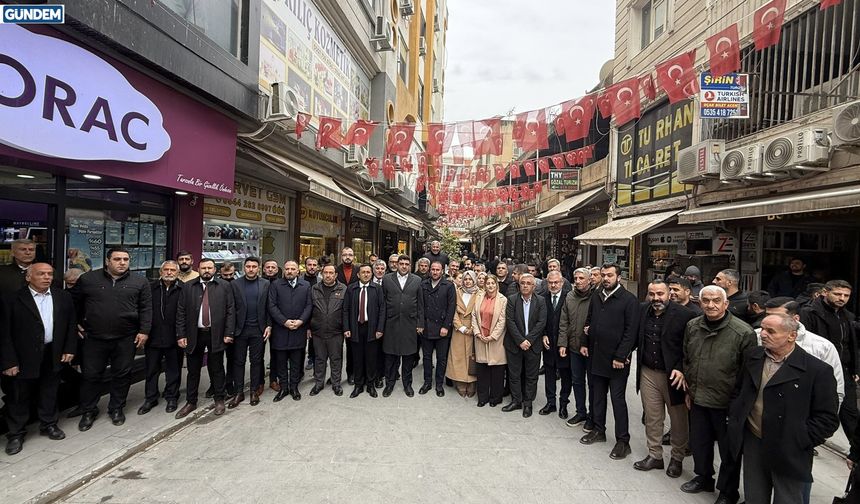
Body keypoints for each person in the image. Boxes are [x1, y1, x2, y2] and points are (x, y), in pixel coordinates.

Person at [727, 314, 838, 504]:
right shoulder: (753, 357)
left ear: (792, 336)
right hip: (754, 439)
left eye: (771, 331)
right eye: (762, 329)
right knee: (754, 496)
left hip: (790, 447)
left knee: (787, 498)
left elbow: (827, 419)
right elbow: (740, 390)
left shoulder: (817, 370)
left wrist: (801, 438)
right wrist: (736, 415)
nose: (763, 334)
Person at [680, 285, 755, 504]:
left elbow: (747, 372)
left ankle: (728, 491)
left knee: (729, 450)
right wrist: (688, 390)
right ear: (699, 302)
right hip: (698, 396)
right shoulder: (693, 326)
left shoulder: (743, 332)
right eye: (706, 300)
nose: (710, 305)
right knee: (700, 442)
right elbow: (687, 357)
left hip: (727, 402)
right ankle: (703, 477)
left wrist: (738, 404)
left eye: (715, 301)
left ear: (726, 304)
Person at [72, 248, 151, 431]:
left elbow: (146, 308)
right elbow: (74, 303)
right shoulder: (88, 279)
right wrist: (75, 323)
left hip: (126, 338)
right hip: (94, 338)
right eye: (117, 259)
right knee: (91, 375)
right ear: (107, 261)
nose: (122, 262)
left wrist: (144, 331)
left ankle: (116, 408)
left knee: (122, 375)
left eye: (125, 259)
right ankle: (89, 410)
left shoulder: (140, 281)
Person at [1, 263, 76, 455]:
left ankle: (48, 424)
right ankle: (16, 433)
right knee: (18, 395)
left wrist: (69, 348)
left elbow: (70, 325)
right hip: (22, 356)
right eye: (41, 274)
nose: (46, 277)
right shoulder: (12, 299)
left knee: (49, 390)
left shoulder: (62, 296)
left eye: (50, 274)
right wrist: (8, 361)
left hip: (52, 352)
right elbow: (3, 333)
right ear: (28, 277)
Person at [633, 280, 696, 477]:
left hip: (673, 375)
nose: (656, 298)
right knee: (652, 417)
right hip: (648, 371)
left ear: (669, 294)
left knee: (678, 420)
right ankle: (655, 455)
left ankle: (677, 458)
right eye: (652, 294)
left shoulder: (685, 315)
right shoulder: (643, 310)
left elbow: (691, 348)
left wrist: (681, 369)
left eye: (660, 294)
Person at [579, 264, 639, 461]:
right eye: (603, 275)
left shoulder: (629, 300)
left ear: (619, 277)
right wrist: (584, 342)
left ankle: (623, 441)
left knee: (618, 400)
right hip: (596, 355)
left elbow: (631, 332)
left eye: (610, 275)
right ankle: (598, 430)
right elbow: (588, 321)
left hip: (617, 361)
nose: (605, 278)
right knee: (597, 396)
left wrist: (621, 356)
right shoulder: (597, 295)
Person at [174, 258, 235, 418]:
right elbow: (180, 312)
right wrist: (181, 334)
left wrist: (229, 333)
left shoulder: (224, 286)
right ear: (198, 269)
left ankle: (219, 399)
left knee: (217, 368)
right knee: (193, 370)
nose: (206, 270)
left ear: (215, 270)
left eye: (209, 268)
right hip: (195, 334)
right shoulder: (188, 286)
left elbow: (230, 311)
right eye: (203, 268)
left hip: (217, 333)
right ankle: (191, 401)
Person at [800, 279, 858, 440]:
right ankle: (808, 438)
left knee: (850, 412)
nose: (842, 298)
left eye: (846, 295)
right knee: (814, 406)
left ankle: (856, 451)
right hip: (818, 369)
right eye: (838, 294)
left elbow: (850, 344)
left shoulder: (847, 316)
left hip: (843, 369)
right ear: (825, 292)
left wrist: (855, 369)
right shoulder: (809, 313)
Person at [759, 297, 844, 406]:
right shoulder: (756, 337)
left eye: (777, 316)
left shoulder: (822, 346)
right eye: (767, 315)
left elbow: (835, 391)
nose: (770, 320)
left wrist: (823, 420)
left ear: (795, 319)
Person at [139, 260, 184, 415]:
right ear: (160, 272)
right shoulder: (150, 288)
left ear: (178, 273)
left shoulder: (183, 289)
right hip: (153, 336)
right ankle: (150, 397)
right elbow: (143, 310)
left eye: (173, 270)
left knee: (173, 369)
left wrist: (183, 335)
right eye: (166, 270)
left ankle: (172, 396)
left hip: (175, 337)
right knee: (151, 369)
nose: (169, 272)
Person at [228, 257, 271, 408]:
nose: (251, 269)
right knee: (238, 362)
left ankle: (253, 391)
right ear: (244, 268)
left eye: (254, 266)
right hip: (240, 330)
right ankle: (238, 392)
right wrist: (230, 330)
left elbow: (269, 307)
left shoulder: (265, 284)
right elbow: (231, 309)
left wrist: (269, 325)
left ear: (258, 268)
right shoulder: (235, 284)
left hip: (258, 330)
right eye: (248, 266)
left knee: (256, 361)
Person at [503, 273, 547, 418]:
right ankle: (516, 401)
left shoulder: (540, 301)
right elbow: (510, 321)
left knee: (531, 376)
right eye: (523, 283)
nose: (525, 285)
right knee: (514, 375)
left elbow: (541, 322)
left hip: (532, 345)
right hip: (515, 344)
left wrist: (529, 340)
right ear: (519, 285)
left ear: (534, 286)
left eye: (529, 283)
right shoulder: (512, 300)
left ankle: (528, 403)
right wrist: (520, 340)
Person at [268, 260, 312, 402]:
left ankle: (294, 387)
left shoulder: (305, 286)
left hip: (299, 329)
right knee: (281, 361)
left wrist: (301, 321)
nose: (290, 271)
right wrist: (284, 321)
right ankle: (284, 388)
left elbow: (309, 306)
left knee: (296, 361)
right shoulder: (275, 285)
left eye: (293, 269)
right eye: (287, 269)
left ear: (298, 271)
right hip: (280, 329)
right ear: (284, 270)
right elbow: (272, 306)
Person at [382, 255, 424, 397]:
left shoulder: (417, 280)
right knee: (390, 358)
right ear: (397, 265)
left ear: (410, 265)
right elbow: (382, 303)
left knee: (407, 358)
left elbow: (420, 304)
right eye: (401, 263)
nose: (404, 266)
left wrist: (420, 323)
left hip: (409, 324)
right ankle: (389, 384)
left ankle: (407, 385)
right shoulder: (387, 279)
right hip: (391, 324)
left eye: (407, 263)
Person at [559, 267, 594, 429]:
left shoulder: (596, 297)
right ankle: (581, 412)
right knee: (577, 381)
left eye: (581, 278)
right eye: (576, 278)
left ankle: (593, 416)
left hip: (591, 349)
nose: (578, 281)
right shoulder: (570, 296)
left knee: (593, 384)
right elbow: (564, 321)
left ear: (589, 280)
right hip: (573, 347)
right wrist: (562, 343)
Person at [343, 264, 385, 398]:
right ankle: (359, 385)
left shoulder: (377, 289)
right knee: (357, 358)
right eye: (363, 272)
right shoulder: (351, 289)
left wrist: (379, 328)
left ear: (371, 274)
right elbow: (345, 310)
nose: (366, 274)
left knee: (371, 358)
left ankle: (371, 385)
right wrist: (347, 328)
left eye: (368, 272)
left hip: (372, 328)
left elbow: (382, 309)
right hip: (355, 328)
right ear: (358, 275)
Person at [308, 264, 347, 396]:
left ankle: (336, 384)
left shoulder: (343, 289)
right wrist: (308, 327)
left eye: (331, 273)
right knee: (319, 359)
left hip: (336, 331)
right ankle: (319, 383)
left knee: (336, 359)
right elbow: (309, 309)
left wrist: (345, 328)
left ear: (336, 275)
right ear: (322, 274)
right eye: (326, 272)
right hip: (318, 330)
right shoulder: (314, 289)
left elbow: (346, 311)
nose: (328, 275)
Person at [420, 261, 456, 397]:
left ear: (442, 271)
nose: (435, 272)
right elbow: (421, 306)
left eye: (438, 270)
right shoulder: (423, 285)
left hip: (442, 328)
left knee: (441, 358)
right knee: (427, 357)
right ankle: (427, 382)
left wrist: (446, 326)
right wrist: (420, 324)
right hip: (427, 327)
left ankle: (439, 384)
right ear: (430, 270)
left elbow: (451, 307)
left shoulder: (449, 285)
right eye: (433, 269)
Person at [539, 271, 572, 418]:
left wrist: (565, 342)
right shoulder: (542, 298)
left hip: (564, 345)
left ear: (562, 282)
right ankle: (550, 403)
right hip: (548, 344)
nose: (553, 285)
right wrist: (543, 334)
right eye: (550, 282)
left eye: (556, 282)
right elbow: (540, 320)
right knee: (549, 373)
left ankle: (563, 403)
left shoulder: (569, 298)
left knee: (566, 375)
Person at [473, 275, 507, 407]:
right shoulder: (479, 297)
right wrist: (477, 332)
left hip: (495, 340)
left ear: (496, 285)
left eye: (493, 283)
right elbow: (474, 316)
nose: (490, 286)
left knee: (497, 370)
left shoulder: (503, 300)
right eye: (488, 283)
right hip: (481, 337)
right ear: (484, 285)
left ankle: (495, 398)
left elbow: (502, 320)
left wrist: (493, 336)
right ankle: (482, 397)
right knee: (482, 370)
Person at [447, 270, 479, 397]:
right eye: (465, 279)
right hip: (459, 330)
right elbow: (452, 310)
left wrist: (473, 328)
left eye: (470, 279)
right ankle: (460, 381)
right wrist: (461, 327)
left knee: (472, 357)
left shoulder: (480, 293)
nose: (467, 281)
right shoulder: (456, 292)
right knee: (458, 356)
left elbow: (480, 312)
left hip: (474, 329)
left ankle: (471, 382)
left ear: (474, 280)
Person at [261, 259, 282, 394]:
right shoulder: (259, 283)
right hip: (260, 323)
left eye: (273, 267)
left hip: (277, 323)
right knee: (258, 355)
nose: (270, 269)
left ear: (277, 269)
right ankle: (259, 382)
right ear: (263, 269)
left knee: (275, 353)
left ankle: (273, 379)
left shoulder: (281, 284)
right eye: (267, 267)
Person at [303, 257, 319, 371]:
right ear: (305, 266)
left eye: (314, 265)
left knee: (314, 340)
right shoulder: (299, 279)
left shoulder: (320, 280)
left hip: (315, 314)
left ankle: (312, 359)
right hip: (301, 314)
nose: (312, 267)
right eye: (310, 265)